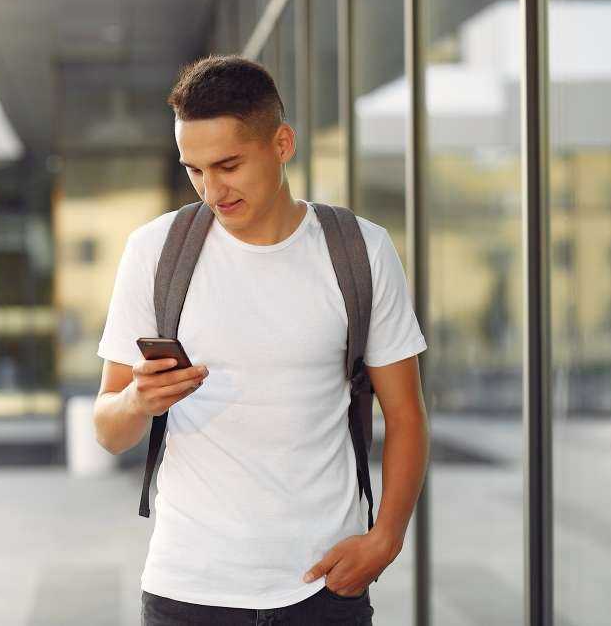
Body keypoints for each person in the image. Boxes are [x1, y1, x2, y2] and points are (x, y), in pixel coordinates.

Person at [94, 54, 429, 625]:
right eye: (193, 170)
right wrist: (137, 401)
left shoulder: (360, 251)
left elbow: (405, 415)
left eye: (228, 165)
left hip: (323, 587)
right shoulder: (155, 253)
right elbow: (108, 430)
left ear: (282, 143)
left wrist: (387, 537)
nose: (211, 190)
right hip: (188, 589)